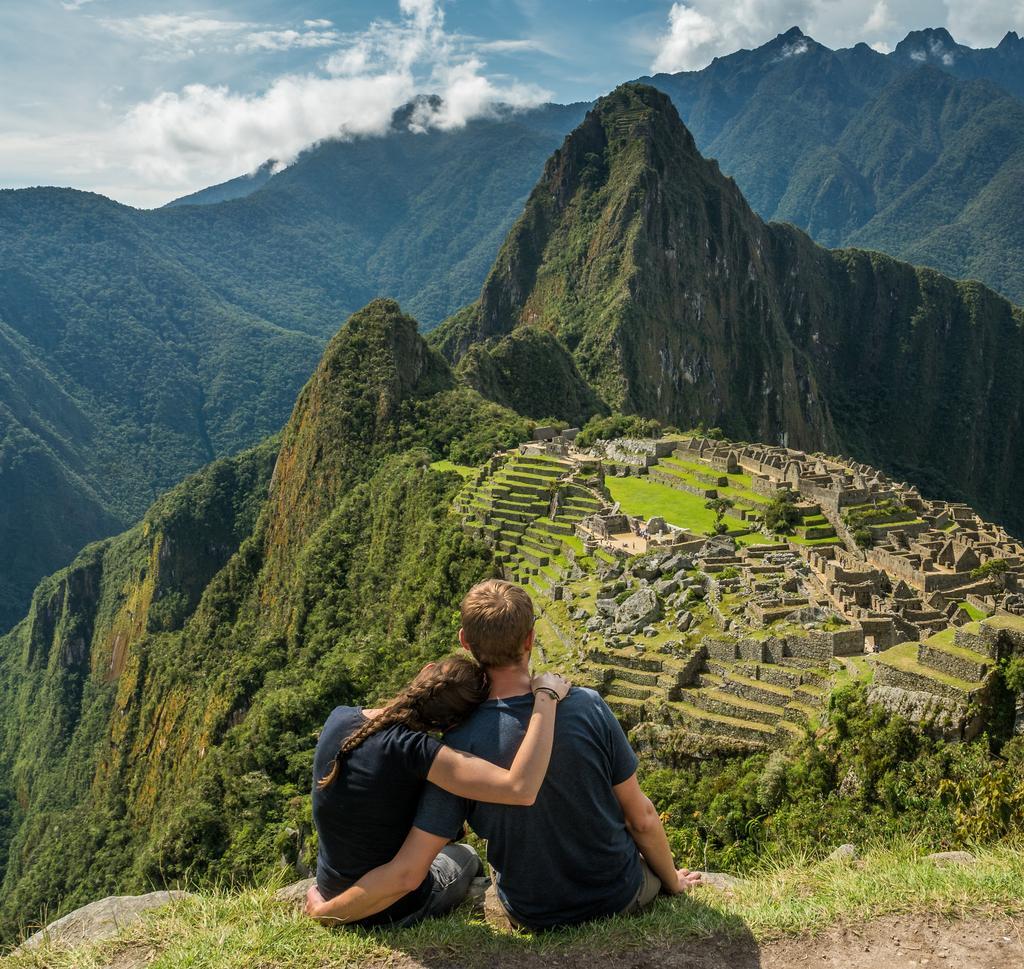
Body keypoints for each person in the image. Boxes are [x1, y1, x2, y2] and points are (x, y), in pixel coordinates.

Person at [317, 579, 700, 930]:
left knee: (463, 855)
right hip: (619, 896)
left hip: (533, 911)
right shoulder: (588, 706)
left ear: (465, 641)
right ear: (530, 639)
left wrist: (330, 907)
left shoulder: (456, 742)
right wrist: (674, 882)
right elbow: (643, 818)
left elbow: (414, 864)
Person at [304, 653, 570, 927]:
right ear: (454, 724)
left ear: (426, 671)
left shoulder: (339, 717)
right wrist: (546, 696)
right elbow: (520, 788)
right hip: (388, 909)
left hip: (329, 887)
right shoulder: (419, 753)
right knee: (465, 855)